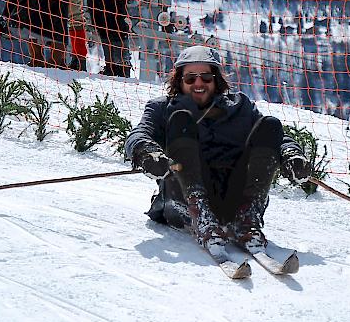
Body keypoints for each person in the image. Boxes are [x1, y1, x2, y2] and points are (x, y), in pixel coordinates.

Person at [124, 45, 311, 258]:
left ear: (216, 79)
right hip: (181, 194)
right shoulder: (160, 109)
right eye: (190, 78)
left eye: (205, 77)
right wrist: (146, 152)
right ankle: (199, 214)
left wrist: (291, 155)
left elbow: (275, 138)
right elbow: (137, 135)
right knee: (181, 120)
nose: (198, 84)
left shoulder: (240, 106)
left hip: (231, 197)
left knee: (271, 125)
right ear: (179, 80)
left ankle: (247, 216)